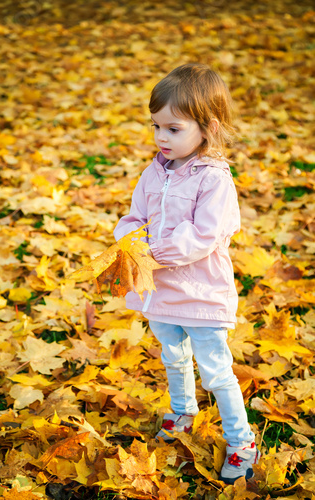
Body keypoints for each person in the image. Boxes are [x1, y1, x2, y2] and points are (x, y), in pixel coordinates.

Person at [113, 63, 260, 485]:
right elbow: (134, 217)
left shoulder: (214, 179)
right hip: (160, 291)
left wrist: (155, 251)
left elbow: (204, 234)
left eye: (173, 129)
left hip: (200, 292)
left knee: (215, 369)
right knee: (172, 356)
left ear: (207, 127)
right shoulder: (154, 170)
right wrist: (130, 239)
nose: (160, 138)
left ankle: (241, 440)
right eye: (155, 126)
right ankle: (182, 411)